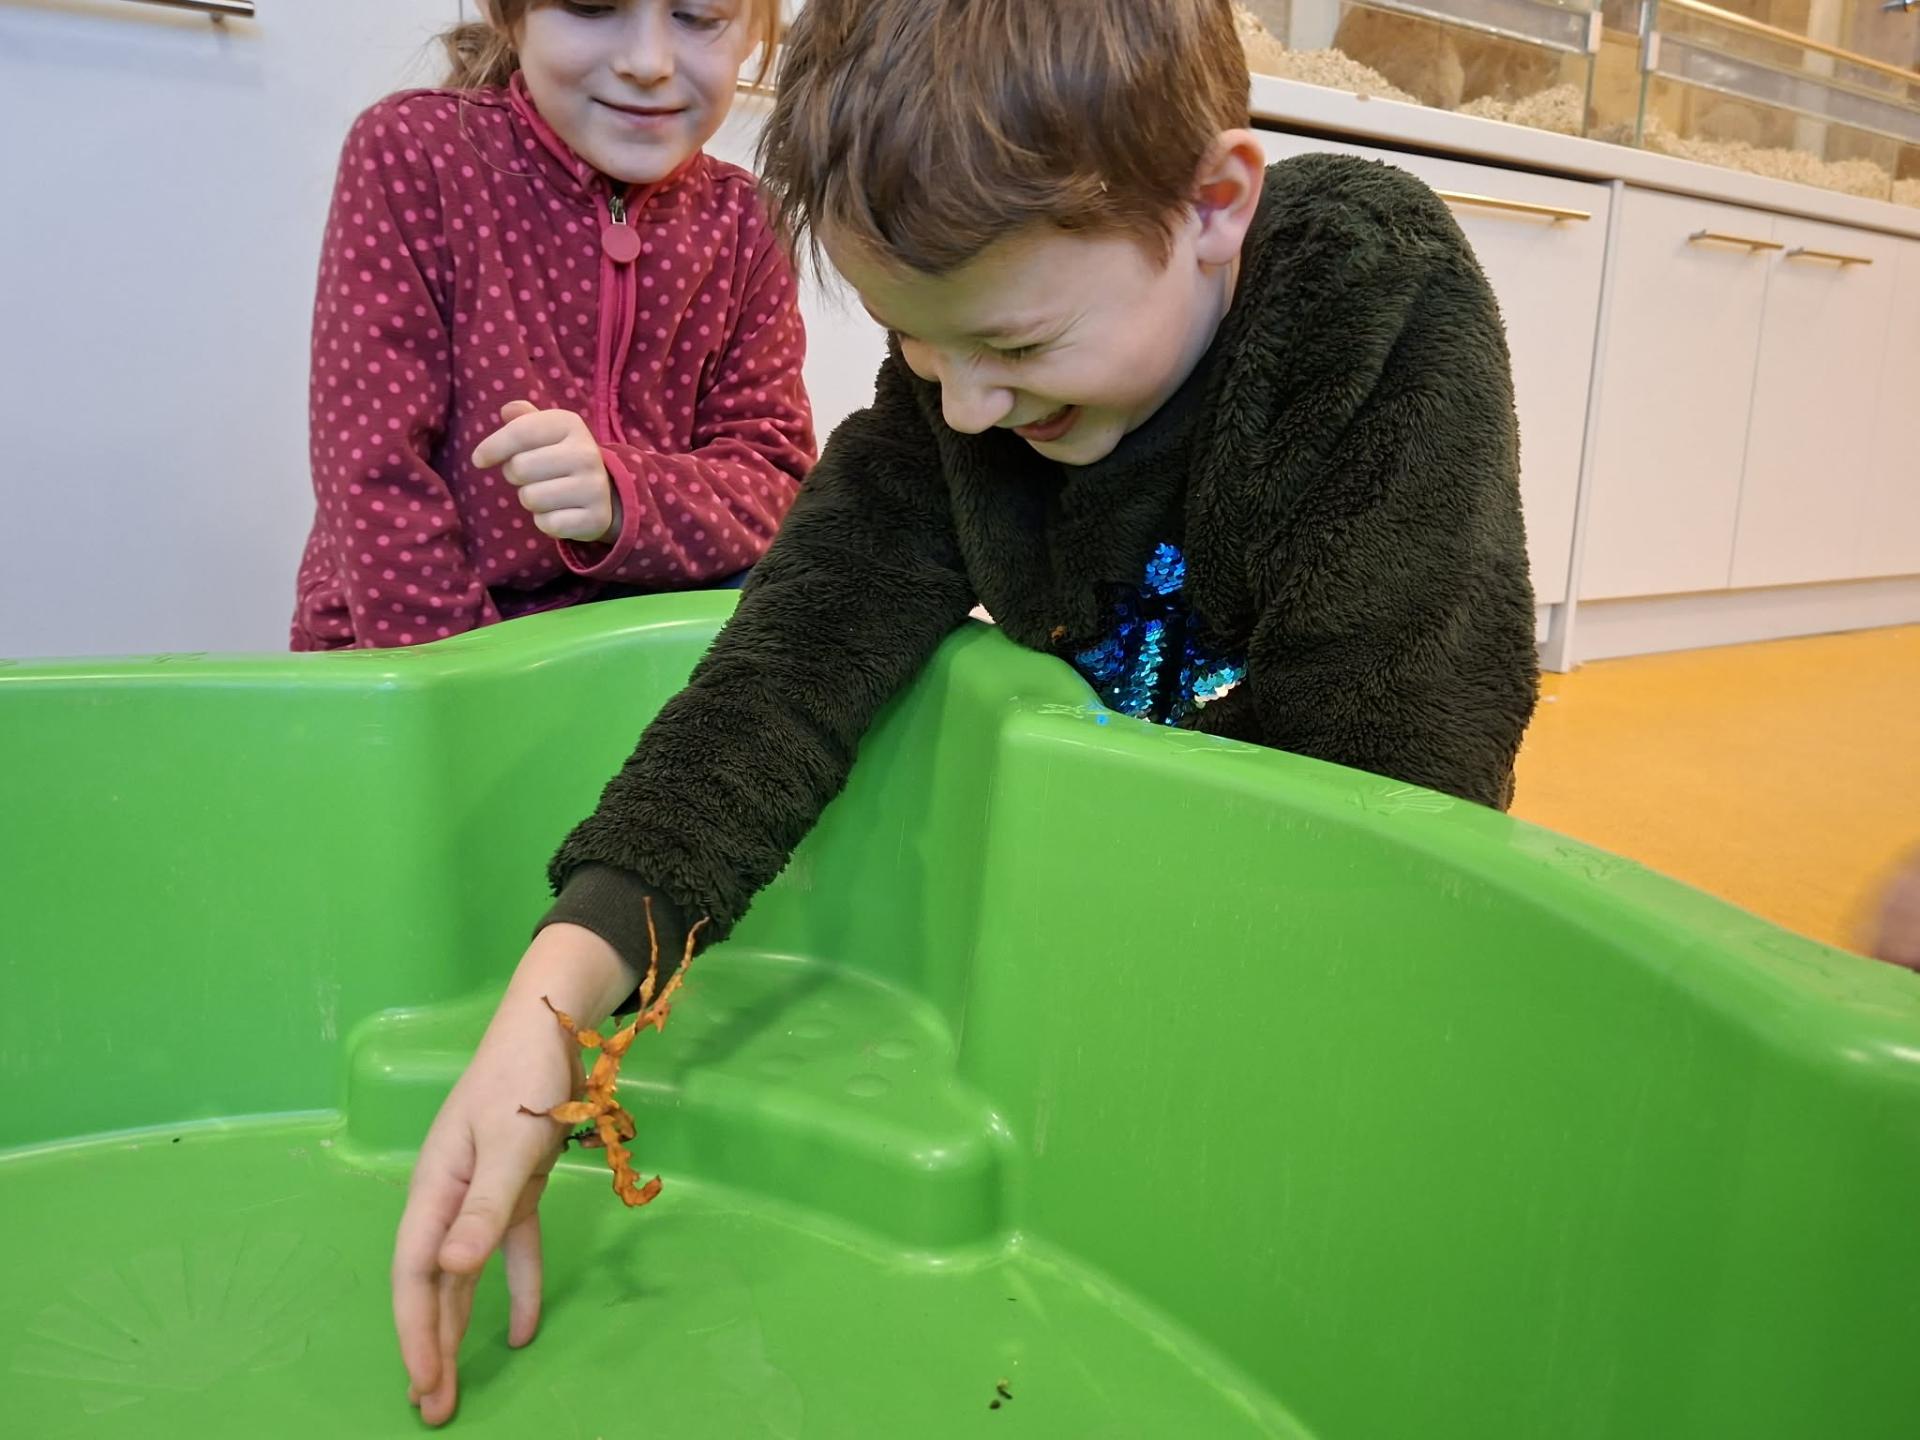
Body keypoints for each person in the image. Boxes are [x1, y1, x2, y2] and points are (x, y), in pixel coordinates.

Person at [389, 0, 1540, 1423]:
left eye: (1018, 344)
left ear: (1212, 205)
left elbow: (1396, 777)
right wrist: (550, 1003)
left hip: (1329, 970)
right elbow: (783, 677)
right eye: (913, 344)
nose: (971, 413)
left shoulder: (1369, 301)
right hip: (1119, 948)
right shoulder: (960, 380)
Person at [291, 0, 810, 651]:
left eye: (697, 16)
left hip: (631, 638)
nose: (648, 63)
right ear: (506, 13)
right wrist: (466, 683)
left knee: (819, 587)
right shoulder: (413, 154)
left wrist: (625, 498)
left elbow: (774, 482)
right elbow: (376, 479)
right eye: (591, 7)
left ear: (755, 33)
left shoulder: (748, 221)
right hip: (420, 647)